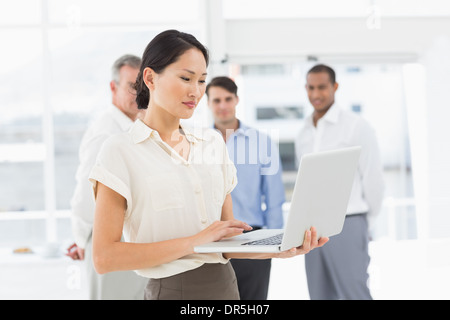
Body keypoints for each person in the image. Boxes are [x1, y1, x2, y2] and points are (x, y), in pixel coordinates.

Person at [88, 29, 328, 300]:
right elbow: (104, 257)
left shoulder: (212, 143)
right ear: (150, 77)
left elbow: (224, 243)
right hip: (171, 290)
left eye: (202, 80)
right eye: (185, 78)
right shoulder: (119, 151)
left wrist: (280, 249)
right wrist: (193, 242)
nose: (196, 91)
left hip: (225, 285)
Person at [295, 64, 384, 300]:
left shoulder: (356, 126)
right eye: (311, 88)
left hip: (349, 223)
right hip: (312, 230)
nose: (316, 94)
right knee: (319, 294)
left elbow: (373, 179)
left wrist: (366, 223)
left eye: (322, 87)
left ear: (335, 87)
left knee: (355, 293)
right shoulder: (303, 133)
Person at [67, 54, 148, 299]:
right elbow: (85, 194)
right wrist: (83, 241)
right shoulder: (106, 133)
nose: (138, 93)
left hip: (129, 241)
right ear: (113, 88)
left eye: (142, 87)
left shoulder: (135, 128)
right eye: (131, 87)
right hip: (108, 239)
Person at [206, 76, 285, 300]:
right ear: (208, 103)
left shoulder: (262, 142)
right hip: (212, 241)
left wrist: (276, 243)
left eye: (228, 99)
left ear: (237, 100)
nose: (222, 106)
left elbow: (274, 198)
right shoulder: (197, 143)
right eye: (216, 100)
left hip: (252, 236)